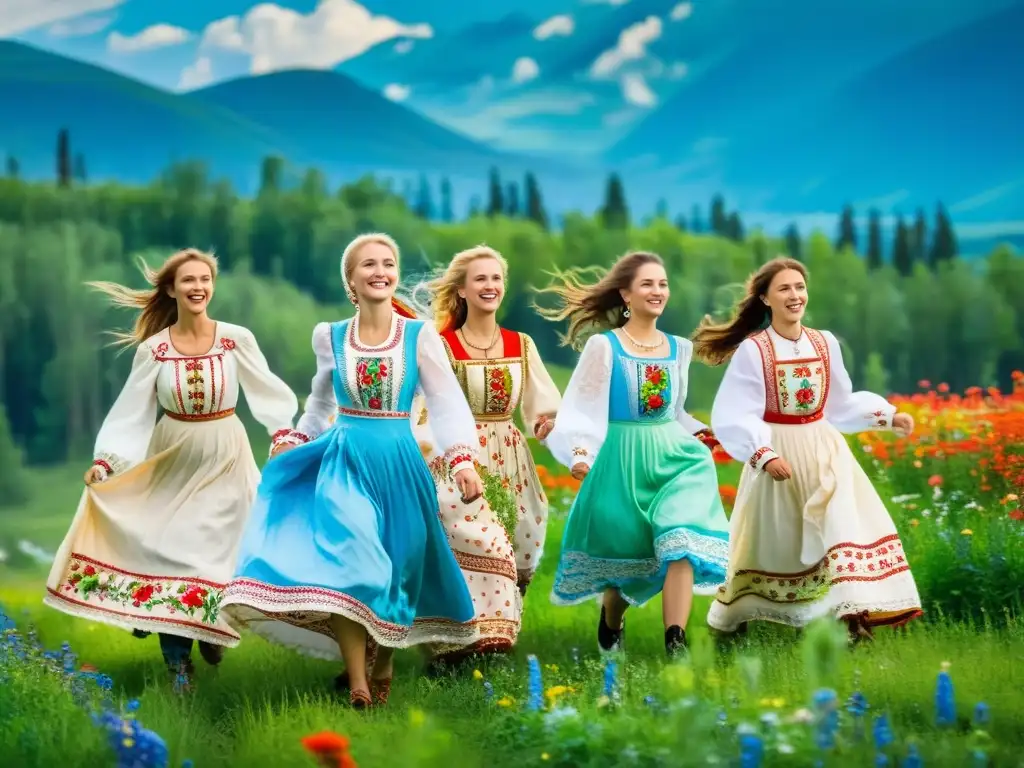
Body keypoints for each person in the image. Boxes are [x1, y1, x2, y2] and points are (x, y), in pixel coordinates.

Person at [220, 233, 483, 709]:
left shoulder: (419, 337)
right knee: (353, 562)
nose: (380, 271)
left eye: (388, 263)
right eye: (369, 265)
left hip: (401, 464)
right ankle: (359, 682)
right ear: (351, 281)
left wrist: (462, 458)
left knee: (399, 571)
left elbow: (446, 402)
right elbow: (320, 401)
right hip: (346, 459)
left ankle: (383, 661)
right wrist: (296, 438)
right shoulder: (332, 336)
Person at [44, 248, 298, 684]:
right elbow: (132, 412)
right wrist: (107, 462)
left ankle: (212, 630)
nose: (198, 287)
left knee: (218, 552)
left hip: (226, 456)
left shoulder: (236, 338)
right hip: (172, 459)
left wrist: (282, 434)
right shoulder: (155, 351)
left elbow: (267, 391)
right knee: (174, 556)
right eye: (188, 280)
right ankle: (179, 665)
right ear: (170, 289)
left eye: (205, 279)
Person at [693, 256, 923, 641]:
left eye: (799, 287)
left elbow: (840, 403)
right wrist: (763, 455)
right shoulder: (755, 350)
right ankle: (737, 621)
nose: (795, 295)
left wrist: (886, 416)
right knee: (773, 539)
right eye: (784, 288)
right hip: (779, 448)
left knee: (841, 524)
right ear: (766, 299)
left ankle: (850, 619)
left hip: (825, 448)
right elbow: (735, 411)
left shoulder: (824, 341)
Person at [537, 251, 730, 657]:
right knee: (626, 561)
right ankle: (612, 619)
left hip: (676, 458)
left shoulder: (679, 349)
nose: (657, 291)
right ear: (626, 294)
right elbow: (581, 407)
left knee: (681, 540)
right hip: (620, 459)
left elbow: (674, 410)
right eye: (647, 284)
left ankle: (675, 641)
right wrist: (579, 454)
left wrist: (703, 433)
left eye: (662, 283)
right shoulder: (604, 347)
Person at [408, 244, 562, 665]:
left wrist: (551, 428)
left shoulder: (520, 343)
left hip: (511, 452)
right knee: (468, 543)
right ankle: (451, 647)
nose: (490, 286)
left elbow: (540, 404)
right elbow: (428, 409)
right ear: (461, 290)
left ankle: (494, 634)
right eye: (480, 278)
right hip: (459, 456)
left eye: (496, 278)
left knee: (521, 539)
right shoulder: (441, 345)